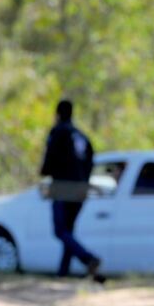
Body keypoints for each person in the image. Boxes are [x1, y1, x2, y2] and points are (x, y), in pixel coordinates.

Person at [39, 100, 102, 280]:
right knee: (69, 230)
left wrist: (44, 171)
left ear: (57, 113)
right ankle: (63, 272)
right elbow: (90, 161)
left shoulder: (58, 131)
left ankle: (88, 258)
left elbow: (49, 157)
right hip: (81, 188)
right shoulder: (82, 136)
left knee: (60, 230)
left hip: (62, 186)